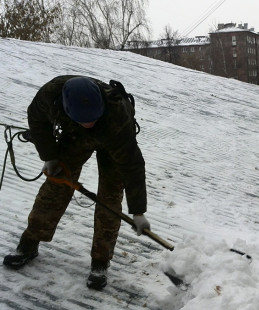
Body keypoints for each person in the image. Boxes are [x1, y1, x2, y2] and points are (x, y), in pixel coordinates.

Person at [3, 76, 151, 290]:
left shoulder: (118, 115)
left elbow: (132, 166)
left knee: (110, 199)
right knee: (55, 186)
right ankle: (29, 244)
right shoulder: (50, 95)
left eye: (93, 118)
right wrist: (50, 156)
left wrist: (138, 212)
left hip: (111, 139)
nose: (89, 123)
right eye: (84, 120)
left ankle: (100, 262)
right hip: (74, 136)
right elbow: (37, 122)